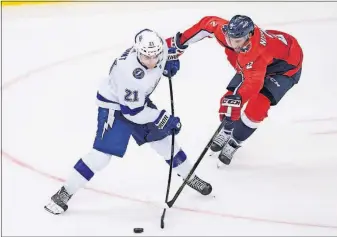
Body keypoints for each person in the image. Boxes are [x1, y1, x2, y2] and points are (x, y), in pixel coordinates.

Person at [44, 29, 212, 215]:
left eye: (156, 57)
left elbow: (173, 47)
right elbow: (133, 114)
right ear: (137, 51)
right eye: (146, 57)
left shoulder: (160, 48)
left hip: (138, 102)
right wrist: (162, 118)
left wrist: (170, 60)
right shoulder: (129, 75)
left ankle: (190, 176)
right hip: (115, 107)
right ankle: (65, 191)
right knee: (100, 157)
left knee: (166, 142)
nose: (152, 61)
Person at [166, 15, 303, 165]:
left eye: (237, 41)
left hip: (284, 70)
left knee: (257, 107)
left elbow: (254, 84)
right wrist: (178, 44)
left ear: (249, 36)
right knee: (228, 101)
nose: (232, 44)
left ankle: (235, 141)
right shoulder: (230, 34)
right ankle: (226, 131)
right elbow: (206, 23)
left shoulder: (256, 53)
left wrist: (239, 100)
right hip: (257, 63)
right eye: (230, 39)